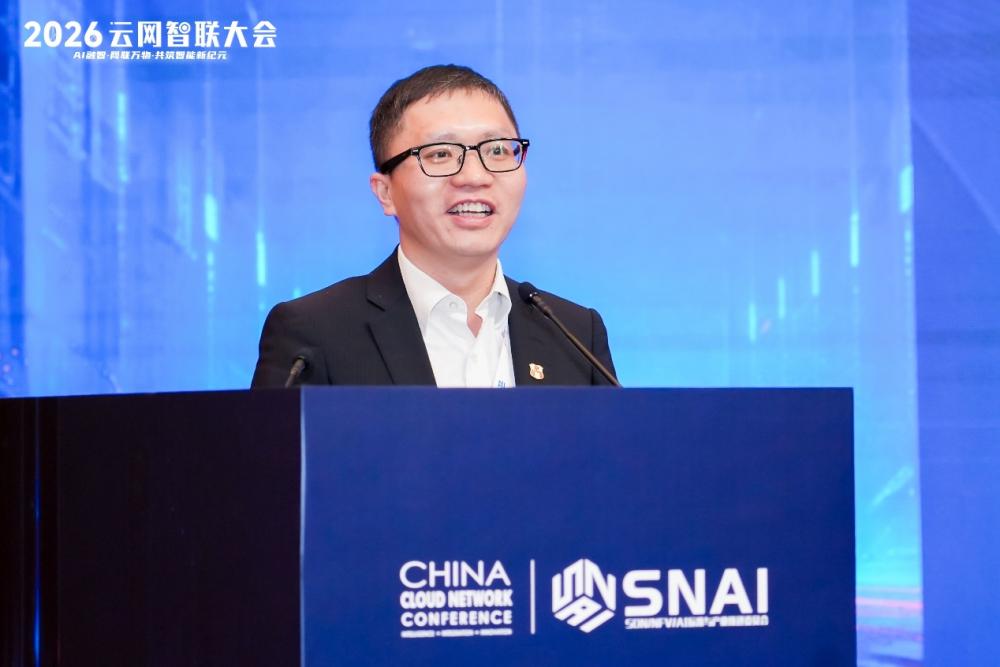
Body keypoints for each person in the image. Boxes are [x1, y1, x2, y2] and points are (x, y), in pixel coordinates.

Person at [251, 64, 616, 388]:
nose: (475, 176)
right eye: (441, 154)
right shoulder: (315, 334)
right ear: (385, 192)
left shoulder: (573, 334)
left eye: (497, 150)